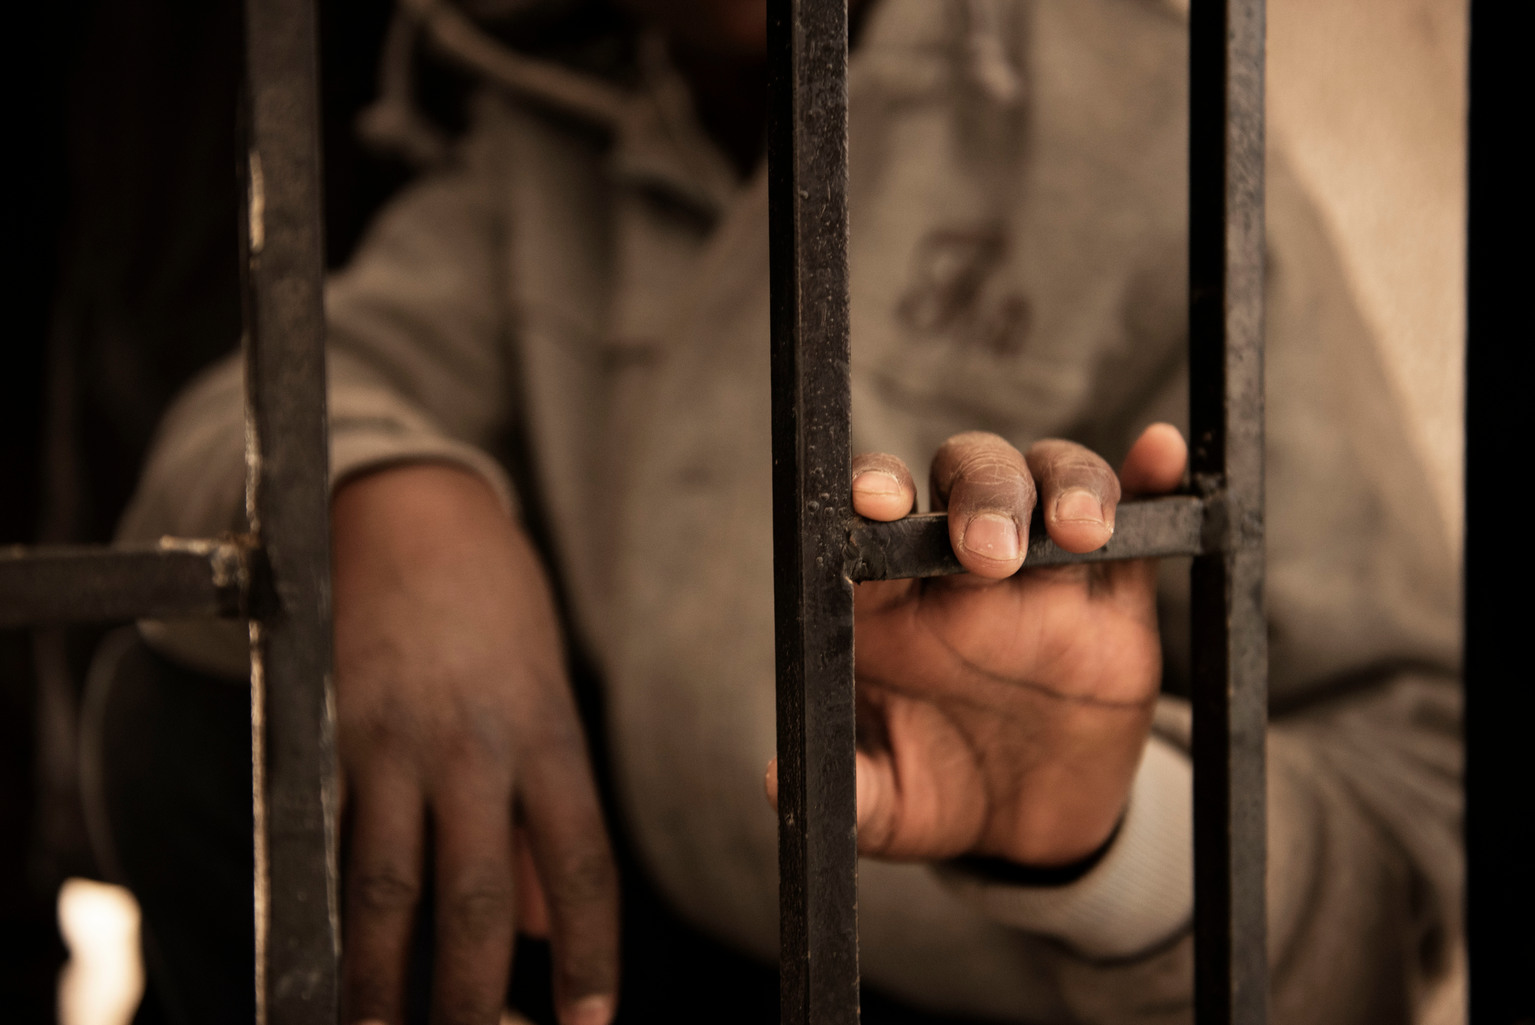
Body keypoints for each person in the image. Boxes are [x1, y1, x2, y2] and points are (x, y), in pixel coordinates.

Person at [109, 0, 1462, 1022]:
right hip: (670, 927)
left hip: (1041, 989)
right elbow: (238, 418)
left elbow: (1414, 807)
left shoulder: (1137, 118)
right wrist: (393, 502)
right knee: (185, 714)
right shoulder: (552, 118)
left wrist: (1110, 831)